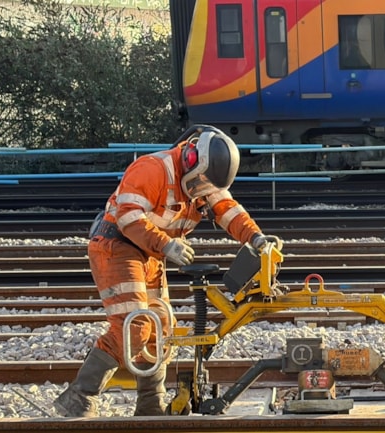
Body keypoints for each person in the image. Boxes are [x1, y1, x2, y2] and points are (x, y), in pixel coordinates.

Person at [54, 125, 282, 417]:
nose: (201, 192)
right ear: (190, 159)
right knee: (134, 327)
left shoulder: (203, 179)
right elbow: (128, 218)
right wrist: (167, 245)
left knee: (160, 326)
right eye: (200, 184)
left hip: (150, 254)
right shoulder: (152, 169)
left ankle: (150, 401)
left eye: (207, 188)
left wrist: (256, 237)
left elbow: (228, 209)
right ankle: (79, 397)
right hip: (117, 247)